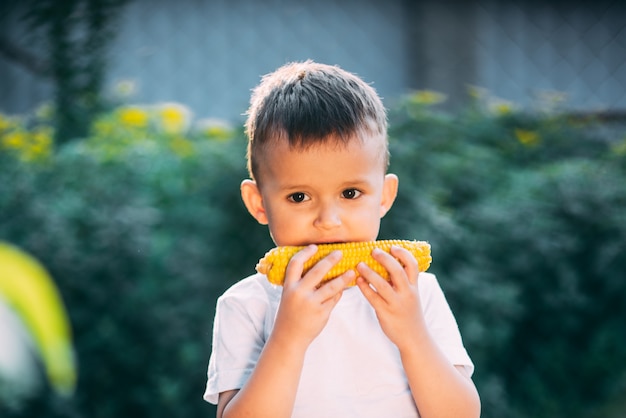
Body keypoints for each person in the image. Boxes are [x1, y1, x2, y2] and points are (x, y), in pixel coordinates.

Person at [203, 60, 480, 418]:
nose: (328, 222)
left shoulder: (416, 292)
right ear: (259, 204)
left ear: (384, 196)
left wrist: (411, 334)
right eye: (299, 197)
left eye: (350, 193)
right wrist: (289, 336)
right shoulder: (246, 306)